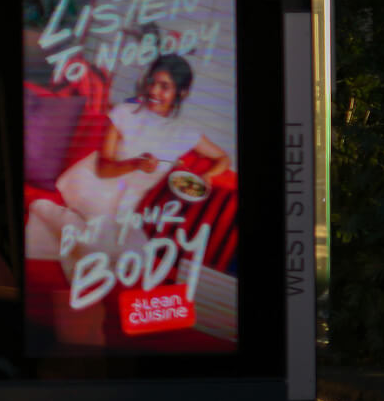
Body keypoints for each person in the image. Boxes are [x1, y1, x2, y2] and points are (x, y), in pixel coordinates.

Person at [24, 53, 230, 273]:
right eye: (152, 83)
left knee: (135, 255)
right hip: (94, 184)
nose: (154, 91)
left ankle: (65, 228)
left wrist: (208, 175)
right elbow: (103, 169)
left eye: (164, 87)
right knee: (97, 248)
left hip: (128, 202)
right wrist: (135, 164)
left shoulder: (185, 133)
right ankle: (44, 211)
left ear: (182, 93)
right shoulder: (124, 113)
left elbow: (223, 158)